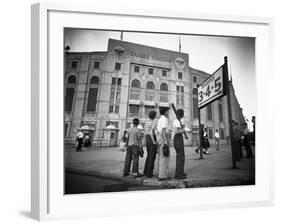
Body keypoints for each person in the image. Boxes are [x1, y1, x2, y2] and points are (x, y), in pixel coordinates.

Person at [156, 107, 171, 181]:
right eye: (168, 112)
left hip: (160, 138)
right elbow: (164, 129)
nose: (168, 113)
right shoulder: (164, 119)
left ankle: (162, 174)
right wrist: (165, 141)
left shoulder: (160, 119)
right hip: (163, 138)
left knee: (161, 157)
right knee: (164, 157)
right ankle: (162, 175)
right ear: (165, 112)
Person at [173, 109, 187, 179]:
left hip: (179, 138)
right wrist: (183, 130)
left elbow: (179, 129)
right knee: (180, 157)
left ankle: (181, 172)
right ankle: (178, 174)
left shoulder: (179, 121)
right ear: (182, 114)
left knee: (182, 157)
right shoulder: (177, 121)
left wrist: (183, 128)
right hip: (177, 138)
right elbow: (176, 131)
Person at [143, 111, 158, 178]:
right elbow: (151, 132)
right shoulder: (153, 121)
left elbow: (145, 132)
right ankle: (149, 173)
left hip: (147, 139)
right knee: (152, 157)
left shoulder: (147, 121)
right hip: (151, 139)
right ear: (154, 116)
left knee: (149, 156)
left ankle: (145, 172)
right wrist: (154, 142)